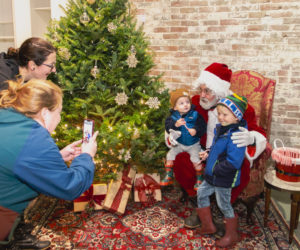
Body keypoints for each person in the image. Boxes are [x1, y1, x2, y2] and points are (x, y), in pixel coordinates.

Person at [0, 78, 98, 249]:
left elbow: (18, 161)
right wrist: (87, 156)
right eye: (58, 112)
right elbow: (69, 187)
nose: (59, 119)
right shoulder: (35, 139)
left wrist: (57, 157)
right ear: (45, 113)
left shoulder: (9, 118)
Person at [168, 63, 267, 226]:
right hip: (201, 151)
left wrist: (250, 137)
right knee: (181, 158)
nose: (202, 95)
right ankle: (200, 204)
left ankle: (221, 208)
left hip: (226, 155)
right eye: (201, 89)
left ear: (220, 92)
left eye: (207, 91)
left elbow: (259, 134)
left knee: (239, 167)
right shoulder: (194, 103)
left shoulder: (242, 109)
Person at [195, 93, 248, 248]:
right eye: (219, 114)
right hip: (212, 175)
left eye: (225, 114)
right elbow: (218, 150)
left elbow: (234, 162)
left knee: (223, 204)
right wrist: (208, 153)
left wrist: (215, 169)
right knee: (201, 193)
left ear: (237, 117)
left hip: (223, 178)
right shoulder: (222, 129)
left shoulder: (237, 136)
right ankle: (208, 225)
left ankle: (232, 235)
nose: (220, 117)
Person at [161, 89, 206, 189]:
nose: (186, 105)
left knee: (195, 159)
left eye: (187, 102)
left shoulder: (195, 115)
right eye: (181, 103)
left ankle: (199, 178)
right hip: (179, 144)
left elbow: (203, 126)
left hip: (193, 144)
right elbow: (168, 128)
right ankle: (169, 176)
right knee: (170, 155)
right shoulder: (173, 117)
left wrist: (195, 130)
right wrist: (175, 125)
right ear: (175, 107)